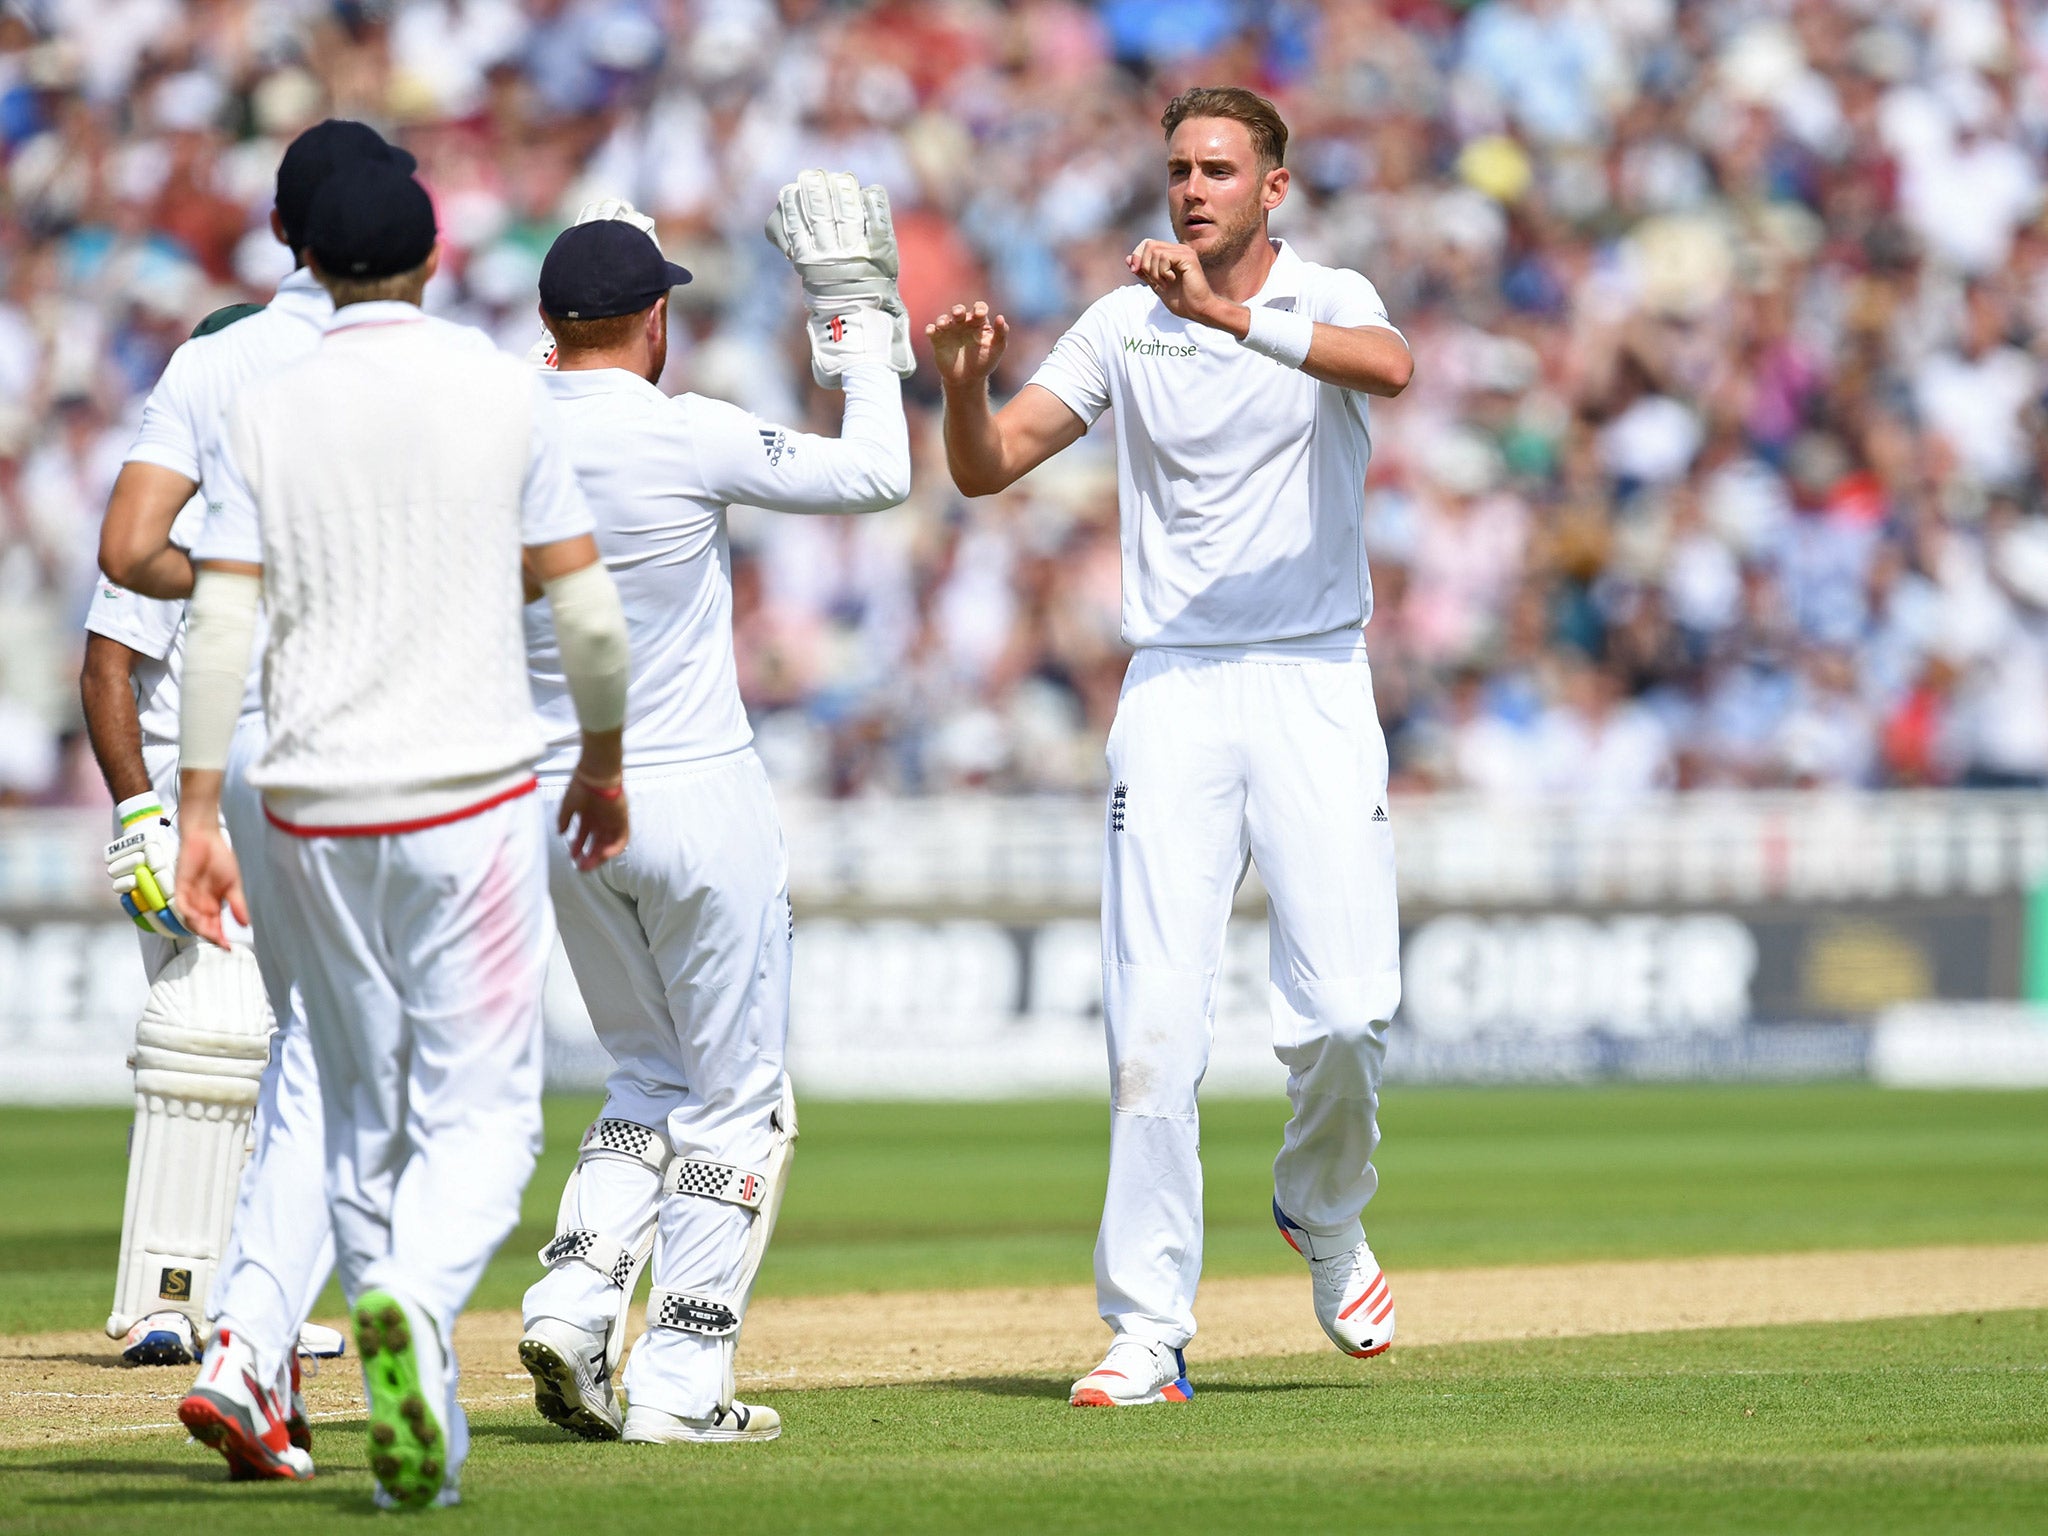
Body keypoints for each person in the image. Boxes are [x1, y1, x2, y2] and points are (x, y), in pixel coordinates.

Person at [928, 86, 1414, 1407]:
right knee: (1153, 1025)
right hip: (1177, 689)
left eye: (1219, 170)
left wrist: (1230, 320)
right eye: (1179, 169)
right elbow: (988, 467)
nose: (1193, 189)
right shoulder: (1121, 323)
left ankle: (1321, 1207)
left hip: (1314, 676)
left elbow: (1392, 368)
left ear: (1274, 189)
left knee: (1349, 1012)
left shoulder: (1328, 292)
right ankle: (1148, 1328)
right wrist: (965, 390)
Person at [172, 157, 631, 1511]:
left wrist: (199, 807)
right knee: (484, 1115)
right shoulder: (497, 387)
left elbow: (218, 624)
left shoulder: (266, 403)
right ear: (432, 257)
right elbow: (589, 620)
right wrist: (602, 762)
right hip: (472, 797)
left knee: (356, 1112)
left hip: (307, 804)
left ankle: (402, 1385)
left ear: (309, 262)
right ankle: (416, 1315)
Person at [515, 176, 910, 1446]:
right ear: (653, 324)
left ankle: (575, 1302)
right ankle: (680, 1386)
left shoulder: (496, 431)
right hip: (690, 787)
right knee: (740, 1097)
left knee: (645, 1073)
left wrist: (591, 256)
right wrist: (854, 312)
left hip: (552, 804)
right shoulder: (683, 432)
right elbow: (876, 473)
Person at [82, 120, 411, 1463]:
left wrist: (245, 587)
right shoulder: (414, 361)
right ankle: (273, 1349)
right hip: (381, 755)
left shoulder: (212, 363)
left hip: (255, 765)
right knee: (375, 1079)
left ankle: (273, 1359)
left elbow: (126, 550)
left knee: (316, 1064)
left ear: (285, 232)